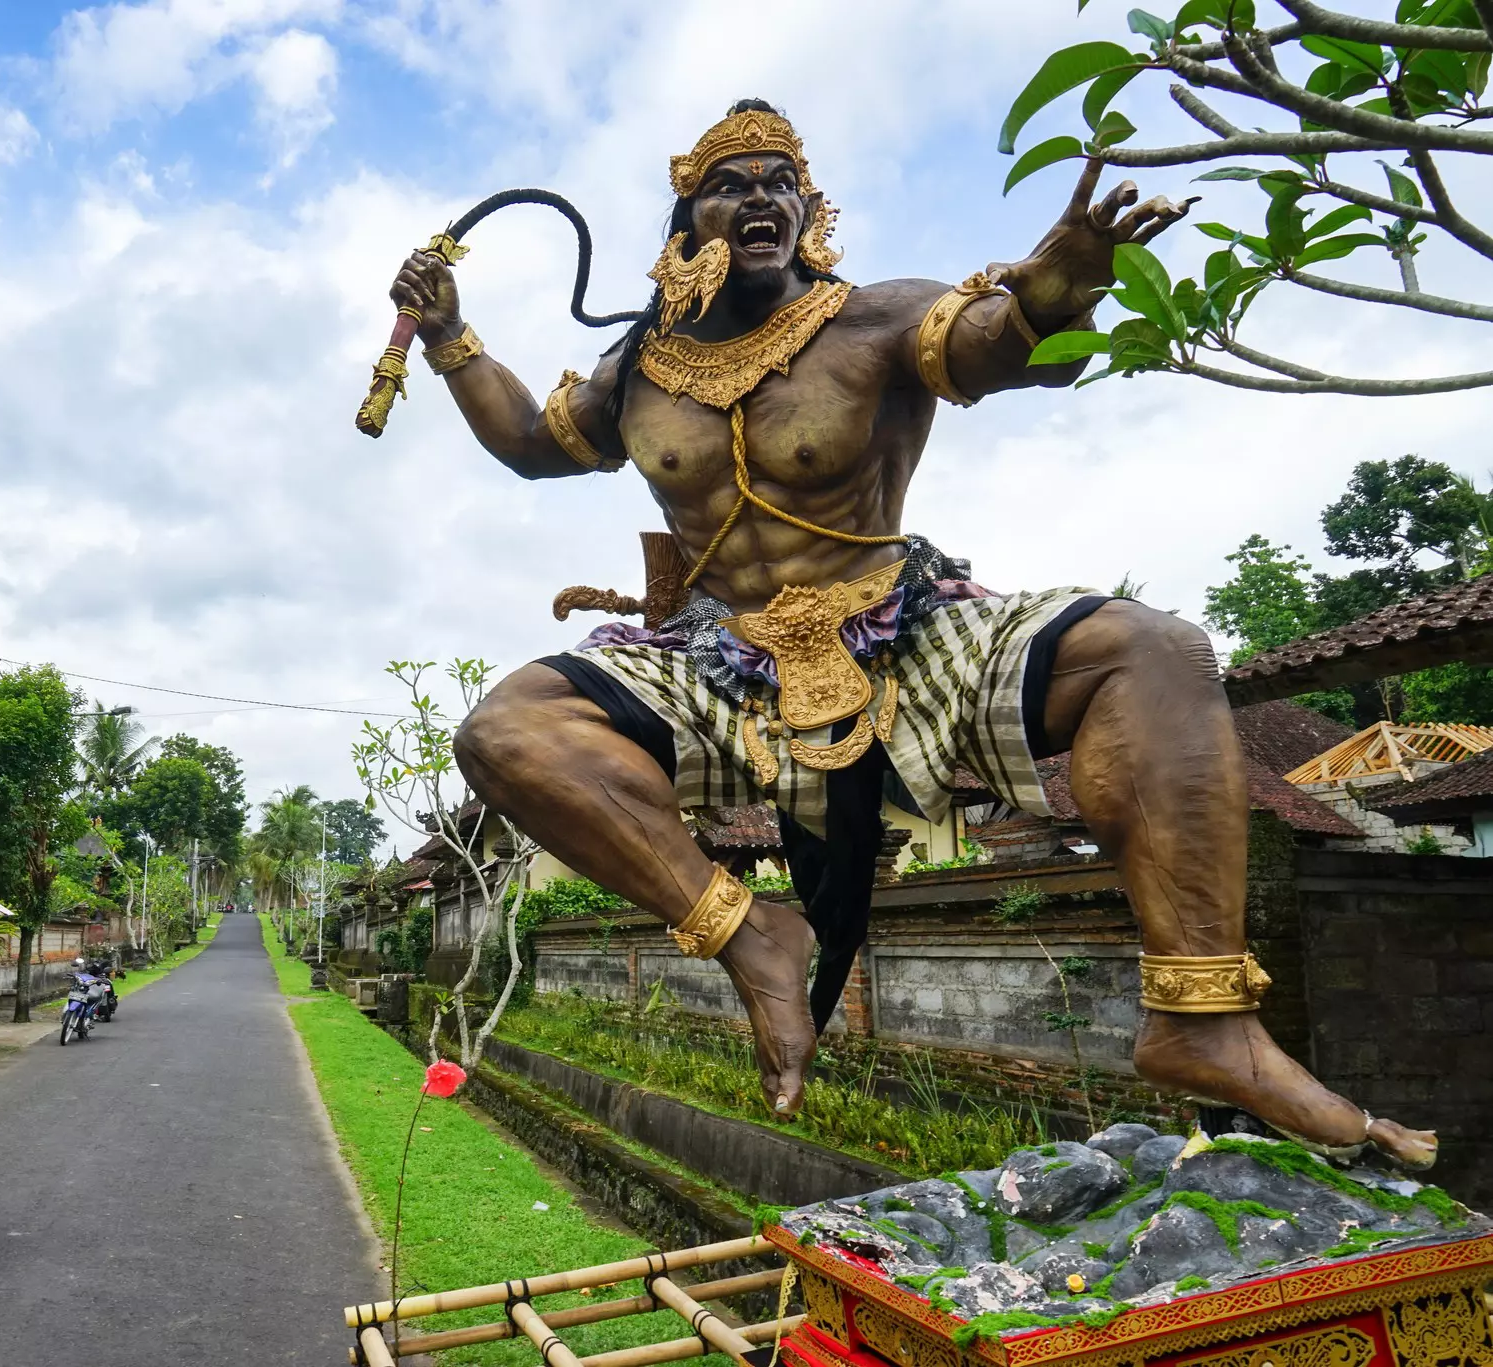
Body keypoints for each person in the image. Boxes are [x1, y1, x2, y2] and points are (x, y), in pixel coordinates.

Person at [388, 99, 1434, 1169]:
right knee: (506, 728)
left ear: (807, 209)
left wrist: (1062, 280)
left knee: (1153, 650)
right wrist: (446, 335)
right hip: (713, 663)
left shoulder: (877, 319)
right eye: (728, 183)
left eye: (776, 181)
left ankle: (1204, 1018)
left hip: (902, 636)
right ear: (685, 219)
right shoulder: (639, 369)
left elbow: (1009, 347)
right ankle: (751, 933)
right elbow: (527, 442)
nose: (757, 198)